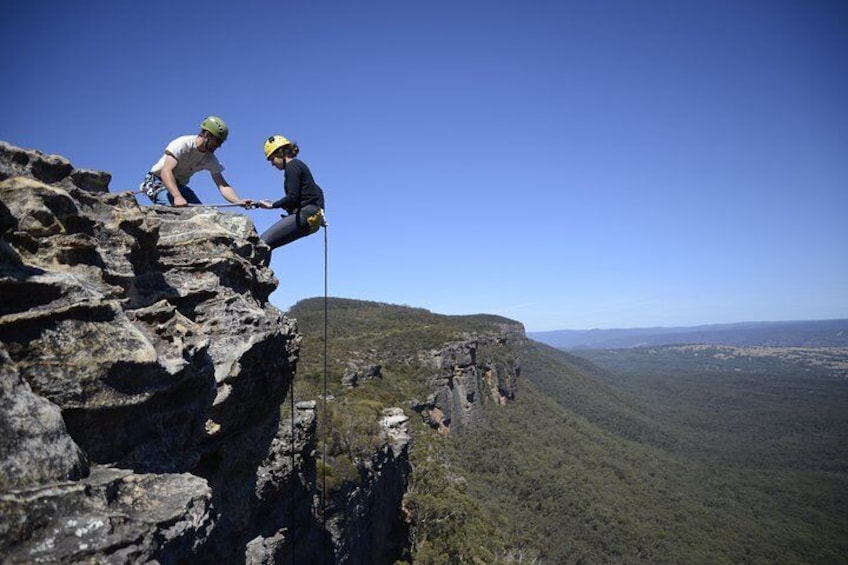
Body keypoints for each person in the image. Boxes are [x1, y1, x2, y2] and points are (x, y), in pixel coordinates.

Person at [139, 116, 253, 208]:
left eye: (221, 143)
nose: (219, 146)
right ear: (207, 135)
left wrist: (238, 201)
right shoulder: (183, 144)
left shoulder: (209, 158)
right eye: (217, 141)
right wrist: (177, 196)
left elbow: (222, 185)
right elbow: (166, 171)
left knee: (203, 214)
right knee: (178, 211)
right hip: (156, 182)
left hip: (179, 185)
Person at [256, 135, 326, 249]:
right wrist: (321, 212)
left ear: (280, 153)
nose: (272, 163)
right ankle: (260, 267)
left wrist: (272, 205)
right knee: (269, 245)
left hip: (305, 215)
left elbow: (292, 197)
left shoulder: (291, 167)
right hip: (312, 217)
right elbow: (318, 190)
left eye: (271, 158)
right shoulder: (299, 165)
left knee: (262, 242)